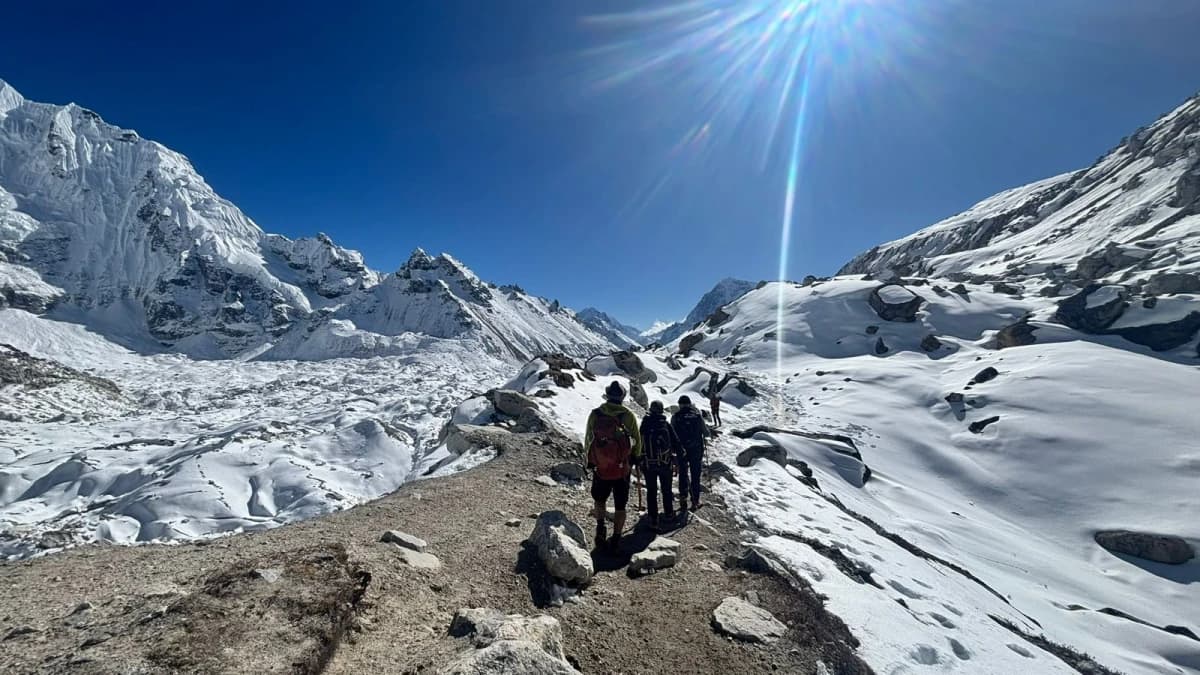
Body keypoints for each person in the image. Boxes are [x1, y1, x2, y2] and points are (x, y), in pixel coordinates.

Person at [584, 381, 643, 550]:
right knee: (620, 505)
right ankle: (616, 538)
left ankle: (600, 527)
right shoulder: (627, 415)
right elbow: (637, 440)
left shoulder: (596, 414)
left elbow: (589, 438)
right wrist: (636, 457)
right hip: (621, 468)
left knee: (600, 499)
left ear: (608, 395)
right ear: (622, 397)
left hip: (601, 467)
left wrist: (590, 460)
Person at [638, 400, 682, 531]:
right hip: (665, 463)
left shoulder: (645, 424)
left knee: (651, 491)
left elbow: (639, 442)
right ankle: (668, 513)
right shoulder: (665, 424)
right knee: (666, 489)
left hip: (648, 464)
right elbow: (676, 442)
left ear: (650, 410)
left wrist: (638, 459)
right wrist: (679, 459)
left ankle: (653, 518)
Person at [671, 395, 710, 512]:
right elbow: (706, 433)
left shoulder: (676, 417)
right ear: (689, 404)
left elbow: (671, 433)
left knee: (683, 473)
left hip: (681, 450)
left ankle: (683, 498)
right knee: (695, 474)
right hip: (696, 449)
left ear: (680, 404)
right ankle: (695, 500)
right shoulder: (697, 416)